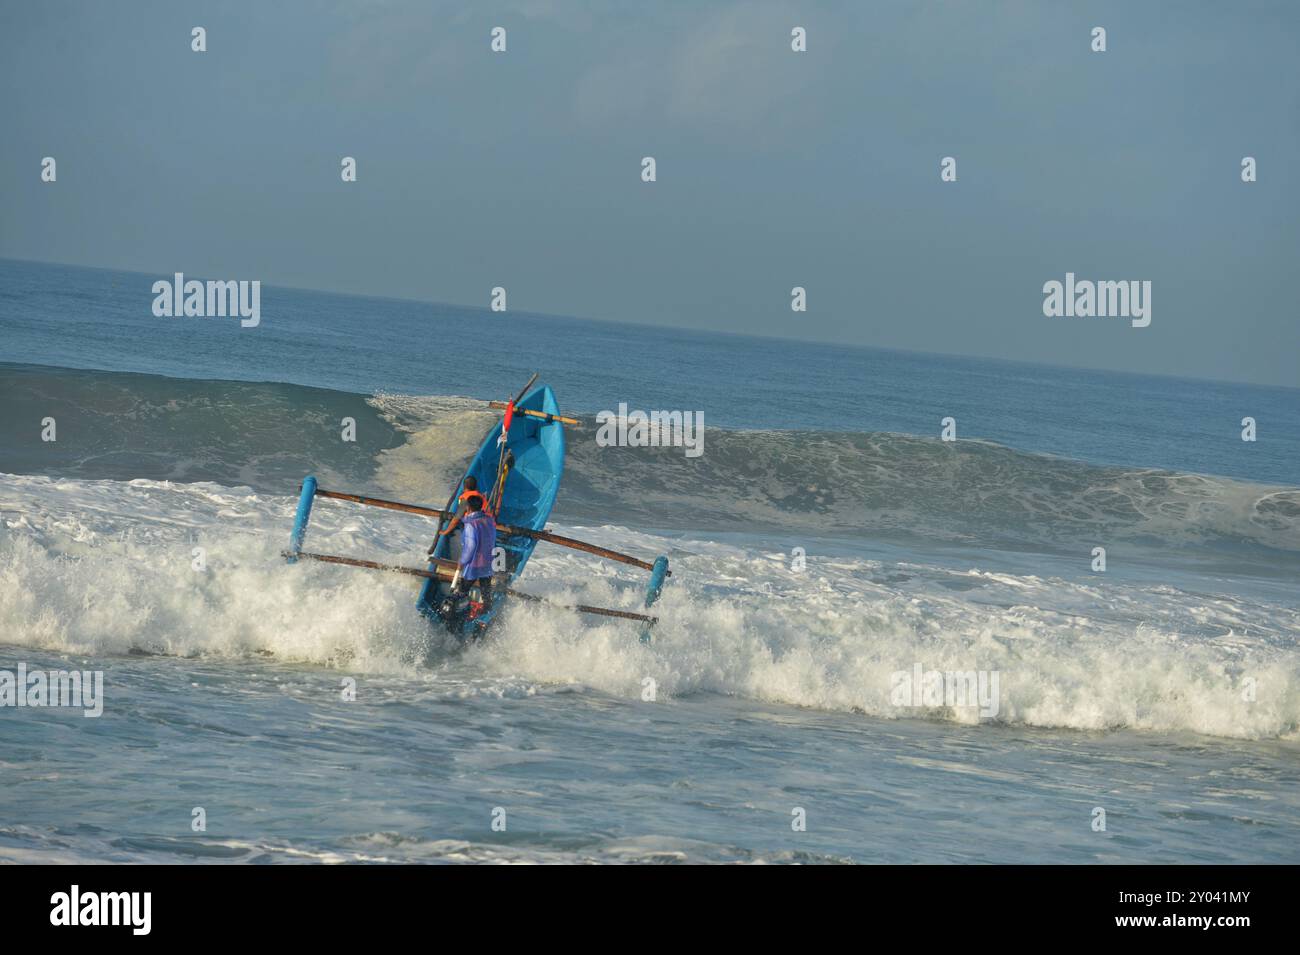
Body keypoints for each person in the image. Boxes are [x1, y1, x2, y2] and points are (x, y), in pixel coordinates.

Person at [455, 492, 497, 614]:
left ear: (468, 508)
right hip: (488, 561)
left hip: (474, 563)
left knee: (463, 589)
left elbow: (470, 547)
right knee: (486, 590)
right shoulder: (489, 520)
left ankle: (461, 611)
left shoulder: (470, 525)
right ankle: (487, 611)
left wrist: (462, 562)